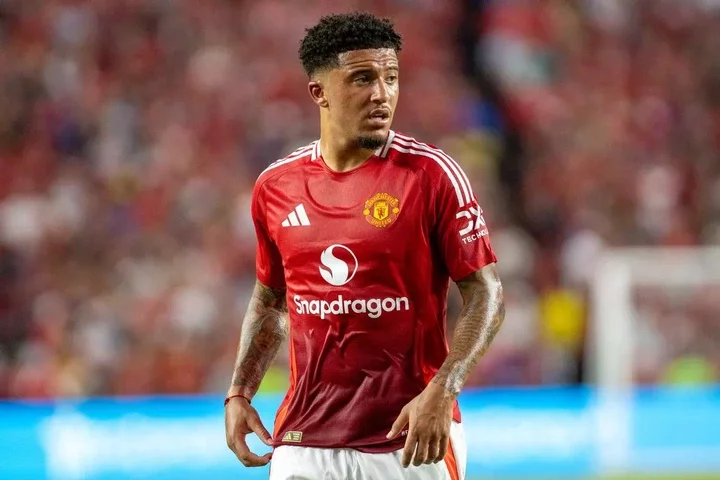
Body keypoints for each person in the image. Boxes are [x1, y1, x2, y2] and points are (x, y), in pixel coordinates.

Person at [224, 12, 505, 480]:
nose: (382, 94)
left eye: (391, 78)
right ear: (320, 93)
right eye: (362, 78)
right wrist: (239, 392)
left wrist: (444, 389)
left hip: (409, 439)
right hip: (303, 441)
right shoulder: (276, 186)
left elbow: (486, 293)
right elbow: (269, 301)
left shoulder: (433, 176)